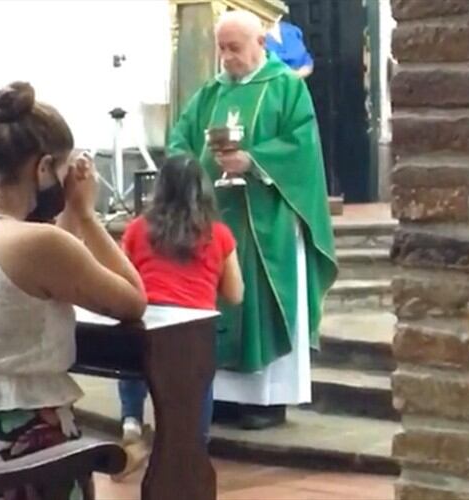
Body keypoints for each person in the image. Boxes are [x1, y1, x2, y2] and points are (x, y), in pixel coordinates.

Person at [0, 81, 147, 499]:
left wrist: (69, 219)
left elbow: (51, 266)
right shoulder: (37, 244)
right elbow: (133, 301)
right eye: (61, 171)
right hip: (18, 454)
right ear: (43, 169)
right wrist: (85, 213)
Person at [168, 10, 337, 430]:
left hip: (268, 218)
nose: (227, 57)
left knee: (261, 300)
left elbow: (301, 147)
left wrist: (253, 161)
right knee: (218, 304)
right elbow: (179, 140)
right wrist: (195, 172)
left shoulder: (286, 87)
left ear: (260, 43)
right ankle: (224, 396)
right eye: (221, 48)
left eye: (235, 48)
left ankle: (267, 400)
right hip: (214, 217)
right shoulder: (210, 93)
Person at [114, 154, 244, 480]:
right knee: (198, 382)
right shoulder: (218, 234)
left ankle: (131, 420)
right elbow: (235, 294)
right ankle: (193, 446)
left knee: (133, 358)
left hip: (148, 321)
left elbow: (122, 278)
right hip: (192, 328)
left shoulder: (137, 230)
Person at [265, 15, 314, 79]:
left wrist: (303, 71)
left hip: (299, 82)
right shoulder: (256, 35)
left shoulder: (292, 30)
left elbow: (306, 58)